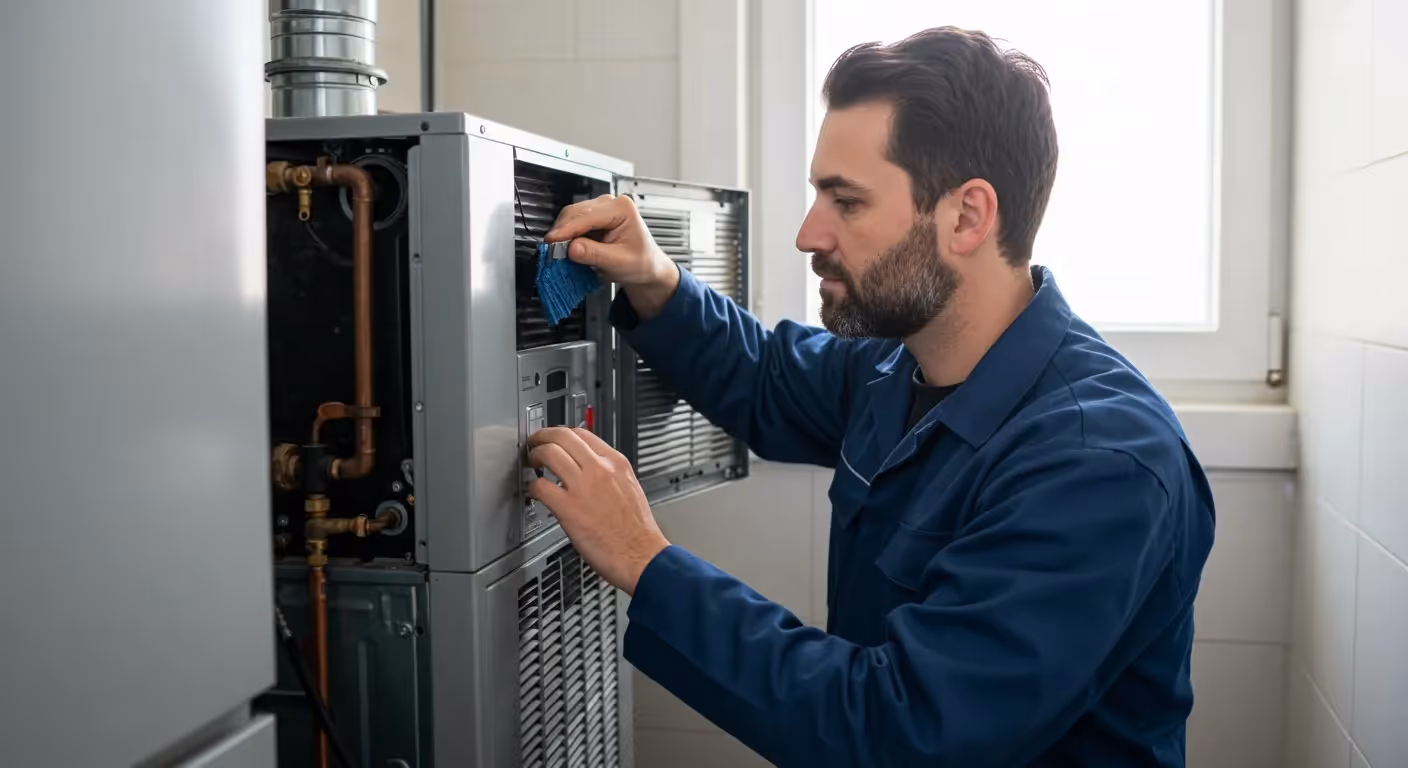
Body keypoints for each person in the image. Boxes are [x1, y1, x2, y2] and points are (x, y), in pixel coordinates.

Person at [526, 26, 1216, 768]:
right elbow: (765, 378)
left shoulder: (1095, 463)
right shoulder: (898, 365)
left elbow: (903, 732)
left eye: (845, 202)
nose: (806, 233)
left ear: (966, 217)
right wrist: (656, 280)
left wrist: (643, 557)